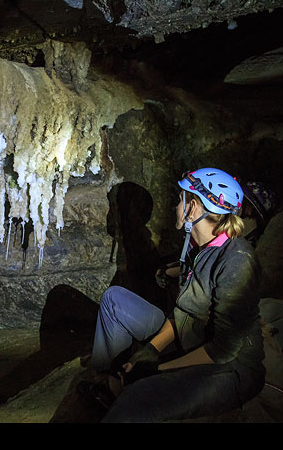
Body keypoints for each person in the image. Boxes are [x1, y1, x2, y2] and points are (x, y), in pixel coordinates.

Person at [80, 168, 265, 422]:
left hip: (231, 369)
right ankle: (111, 383)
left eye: (180, 199)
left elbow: (223, 351)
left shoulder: (236, 260)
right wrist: (151, 351)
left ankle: (126, 394)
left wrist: (157, 369)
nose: (175, 206)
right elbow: (182, 312)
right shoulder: (198, 249)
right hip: (190, 335)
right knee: (114, 300)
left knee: (139, 398)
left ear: (194, 208)